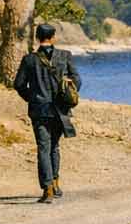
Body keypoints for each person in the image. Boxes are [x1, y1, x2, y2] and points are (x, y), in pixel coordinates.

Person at [12, 22, 81, 204]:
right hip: (61, 110)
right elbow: (77, 81)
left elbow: (18, 85)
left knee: (43, 148)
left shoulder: (29, 60)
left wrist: (32, 98)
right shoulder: (65, 56)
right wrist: (67, 95)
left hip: (39, 109)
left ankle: (47, 189)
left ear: (37, 38)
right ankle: (56, 184)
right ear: (53, 37)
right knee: (54, 147)